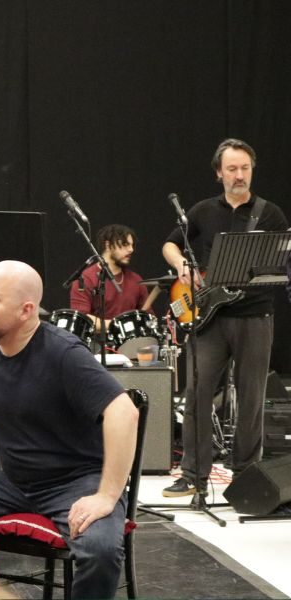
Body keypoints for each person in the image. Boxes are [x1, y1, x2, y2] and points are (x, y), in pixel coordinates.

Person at [0, 260, 138, 600]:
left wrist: (107, 495)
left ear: (26, 310)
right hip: (14, 481)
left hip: (77, 481)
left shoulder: (63, 352)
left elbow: (123, 411)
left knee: (99, 552)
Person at [161, 138, 288, 498]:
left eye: (245, 168)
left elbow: (281, 262)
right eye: (232, 169)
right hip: (210, 318)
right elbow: (170, 243)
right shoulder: (202, 210)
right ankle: (193, 475)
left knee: (251, 398)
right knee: (197, 393)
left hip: (255, 315)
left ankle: (246, 474)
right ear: (219, 173)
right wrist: (182, 264)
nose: (239, 175)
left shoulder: (270, 213)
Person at [69, 223, 153, 332]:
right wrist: (121, 326)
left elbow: (148, 316)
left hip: (130, 345)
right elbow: (82, 318)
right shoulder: (85, 279)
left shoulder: (136, 280)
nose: (131, 249)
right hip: (96, 345)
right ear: (108, 245)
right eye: (125, 244)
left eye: (132, 245)